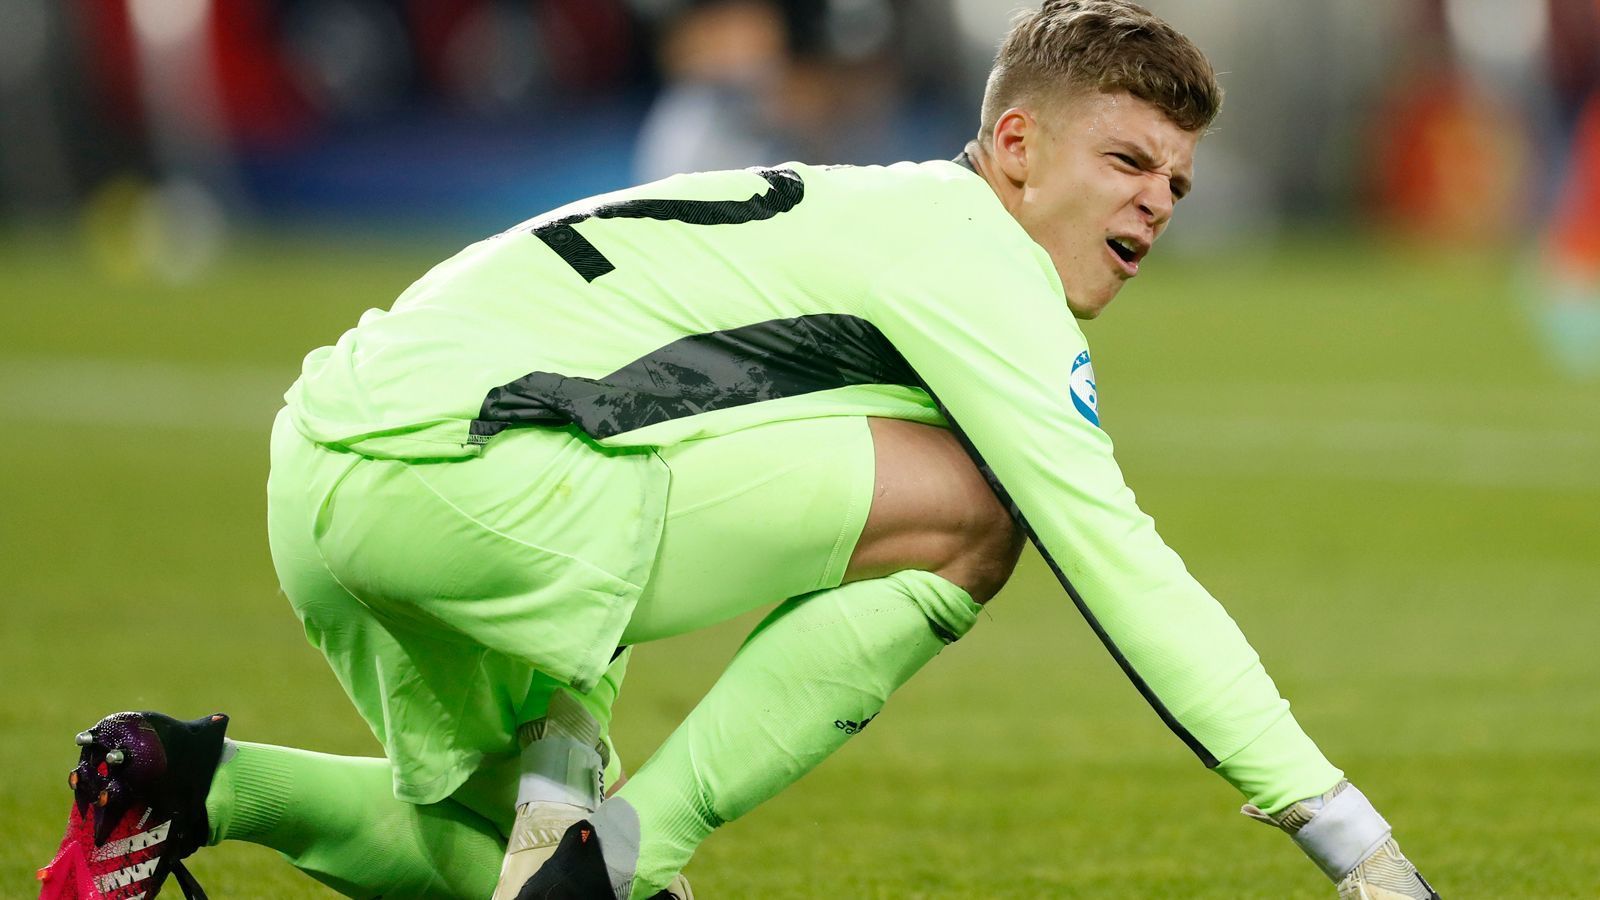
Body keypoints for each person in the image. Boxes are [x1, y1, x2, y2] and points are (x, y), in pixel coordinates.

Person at [39, 3, 1440, 899]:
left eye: (1180, 181)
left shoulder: (843, 213)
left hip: (326, 471)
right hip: (471, 479)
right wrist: (1348, 839)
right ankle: (641, 846)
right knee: (983, 514)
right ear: (1014, 145)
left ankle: (179, 779)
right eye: (1129, 161)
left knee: (494, 865)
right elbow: (1119, 559)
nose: (1161, 202)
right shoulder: (973, 255)